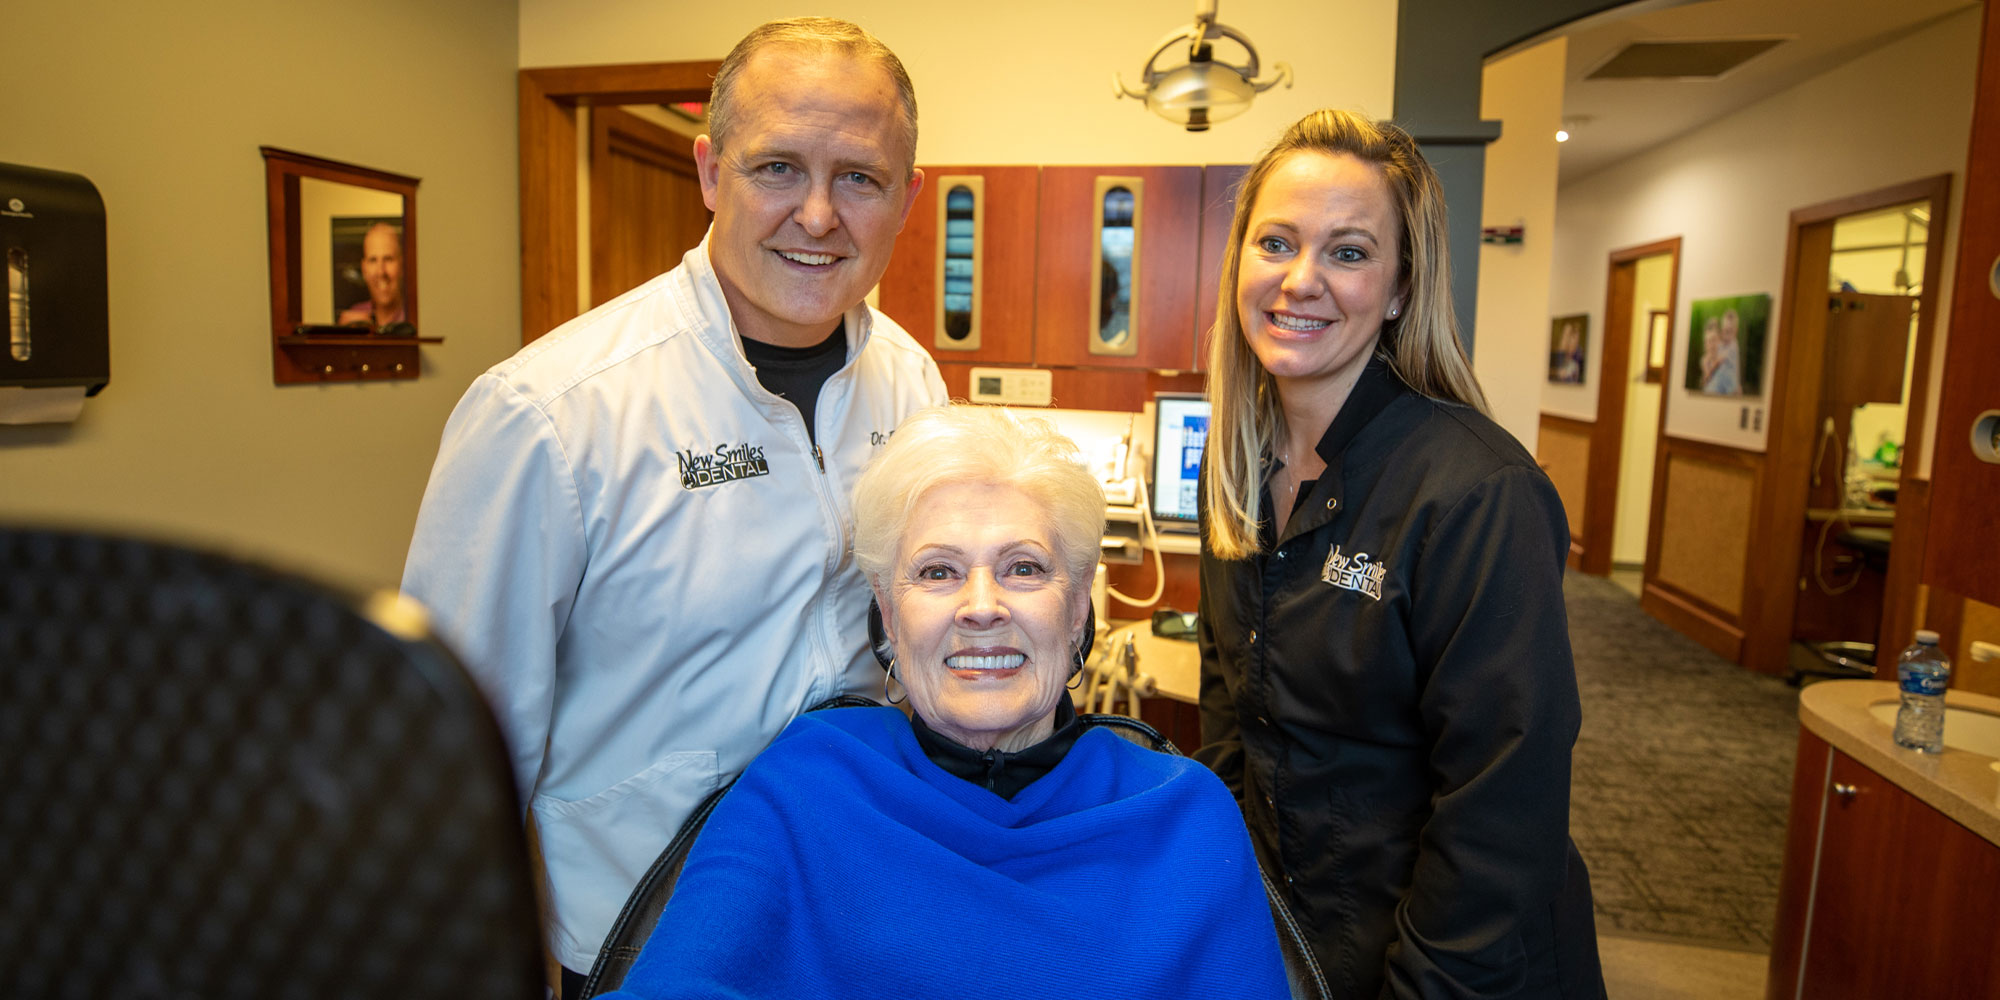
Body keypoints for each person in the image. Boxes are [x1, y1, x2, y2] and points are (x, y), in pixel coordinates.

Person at [399, 18, 945, 993]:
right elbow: (447, 764)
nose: (817, 215)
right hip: (640, 948)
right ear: (709, 170)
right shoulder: (550, 416)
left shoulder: (910, 384)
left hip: (853, 915)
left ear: (906, 196)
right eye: (777, 166)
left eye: (858, 178)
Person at [597, 404, 1292, 999]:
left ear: (1078, 607)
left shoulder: (1186, 818)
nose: (982, 606)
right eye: (938, 571)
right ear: (889, 616)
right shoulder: (800, 788)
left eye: (1024, 568)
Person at [1194, 109, 1605, 999]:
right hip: (1303, 945)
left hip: (1460, 971)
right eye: (1276, 242)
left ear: (1399, 289)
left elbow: (1503, 803)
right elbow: (1230, 714)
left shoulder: (1475, 492)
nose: (1301, 281)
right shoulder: (1234, 471)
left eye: (1348, 252)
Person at [337, 221, 405, 328]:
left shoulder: (415, 317)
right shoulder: (355, 316)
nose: (381, 272)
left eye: (388, 259)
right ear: (364, 268)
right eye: (373, 260)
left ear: (402, 265)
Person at [1703, 308, 1741, 395]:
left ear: (1736, 331)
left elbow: (1720, 361)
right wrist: (1707, 370)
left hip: (1728, 387)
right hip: (1716, 386)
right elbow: (1707, 358)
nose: (1726, 335)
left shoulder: (1733, 345)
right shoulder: (1719, 343)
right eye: (1725, 331)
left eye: (1729, 332)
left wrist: (1709, 372)